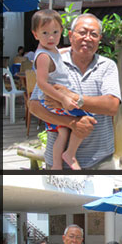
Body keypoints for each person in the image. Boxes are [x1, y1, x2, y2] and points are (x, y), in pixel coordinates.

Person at [29, 13, 121, 170]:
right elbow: (34, 105)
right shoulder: (53, 61)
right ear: (70, 36)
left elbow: (112, 106)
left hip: (100, 159)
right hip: (58, 163)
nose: (87, 38)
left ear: (99, 39)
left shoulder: (107, 66)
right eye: (82, 32)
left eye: (93, 34)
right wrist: (71, 123)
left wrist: (72, 98)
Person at [31, 9, 91, 170]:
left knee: (63, 132)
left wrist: (69, 49)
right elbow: (42, 83)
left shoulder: (52, 49)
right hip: (55, 99)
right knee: (86, 120)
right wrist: (63, 99)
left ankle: (56, 165)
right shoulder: (43, 57)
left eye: (55, 32)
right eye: (45, 33)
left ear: (62, 32)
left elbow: (59, 52)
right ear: (35, 34)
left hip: (55, 99)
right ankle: (70, 154)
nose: (51, 37)